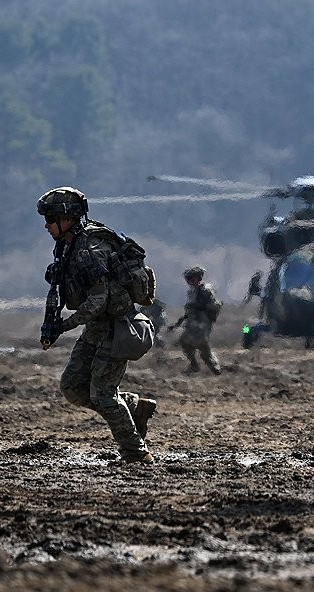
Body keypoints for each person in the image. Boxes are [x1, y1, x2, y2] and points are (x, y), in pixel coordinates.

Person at [37, 186, 157, 464]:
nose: (46, 225)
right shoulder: (70, 244)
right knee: (72, 387)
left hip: (117, 329)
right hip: (98, 329)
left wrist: (63, 326)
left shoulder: (90, 249)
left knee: (103, 396)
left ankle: (135, 453)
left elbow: (98, 301)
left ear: (68, 218)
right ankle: (133, 407)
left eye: (51, 218)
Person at [173, 266, 222, 375]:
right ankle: (194, 365)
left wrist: (200, 307)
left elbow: (214, 305)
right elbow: (189, 310)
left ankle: (214, 367)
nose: (190, 281)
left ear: (198, 278)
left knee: (202, 345)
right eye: (188, 279)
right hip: (192, 321)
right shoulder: (192, 292)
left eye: (192, 278)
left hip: (203, 322)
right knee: (185, 342)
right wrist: (178, 323)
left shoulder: (206, 291)